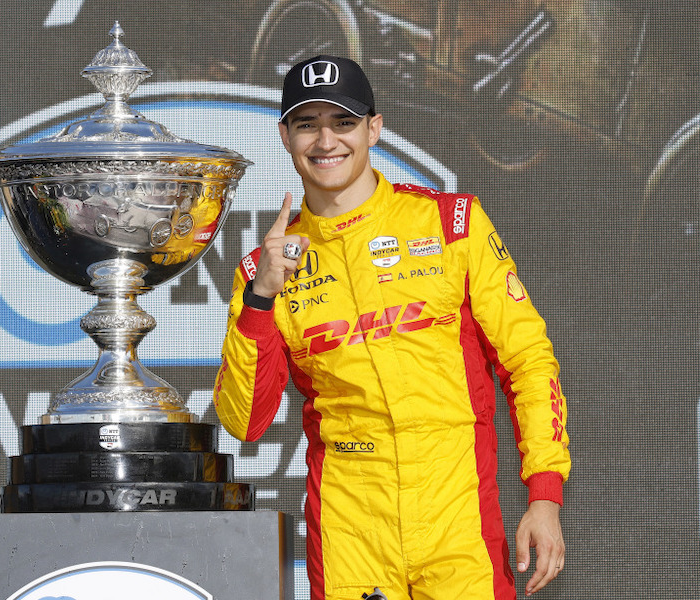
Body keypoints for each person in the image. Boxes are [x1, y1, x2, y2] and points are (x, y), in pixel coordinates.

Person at [212, 55, 571, 600]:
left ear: (374, 129)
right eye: (307, 124)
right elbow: (245, 421)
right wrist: (261, 298)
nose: (326, 141)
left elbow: (528, 360)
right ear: (285, 137)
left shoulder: (451, 226)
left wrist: (544, 495)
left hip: (458, 522)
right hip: (351, 531)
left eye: (344, 122)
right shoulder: (264, 270)